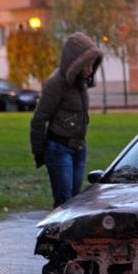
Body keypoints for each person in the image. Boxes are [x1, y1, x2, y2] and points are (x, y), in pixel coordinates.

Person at [30, 32, 103, 208]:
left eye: (92, 65)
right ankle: (56, 234)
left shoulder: (80, 83)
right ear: (75, 64)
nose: (90, 70)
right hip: (59, 149)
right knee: (64, 202)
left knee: (75, 199)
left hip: (79, 148)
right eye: (87, 66)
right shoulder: (56, 84)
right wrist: (40, 153)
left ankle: (69, 235)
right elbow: (38, 120)